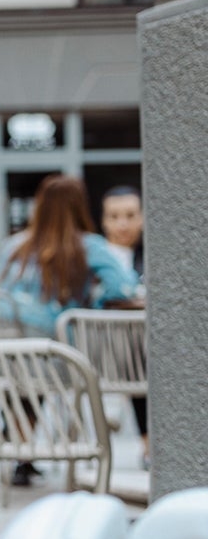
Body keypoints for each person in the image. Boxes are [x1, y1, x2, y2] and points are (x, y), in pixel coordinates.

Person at [0, 174, 140, 485]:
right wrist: (95, 298)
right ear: (80, 207)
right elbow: (124, 288)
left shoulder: (13, 246)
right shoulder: (89, 246)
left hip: (3, 358)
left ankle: (20, 455)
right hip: (59, 359)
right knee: (47, 357)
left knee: (25, 365)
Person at [100, 184, 148, 462]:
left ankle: (149, 447)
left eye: (130, 215)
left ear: (142, 217)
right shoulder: (93, 257)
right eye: (115, 216)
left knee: (141, 356)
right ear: (104, 220)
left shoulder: (152, 257)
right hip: (97, 349)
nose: (123, 224)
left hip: (136, 351)